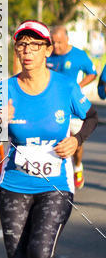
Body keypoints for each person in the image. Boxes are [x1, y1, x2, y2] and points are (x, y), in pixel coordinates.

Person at [0, 20, 98, 258]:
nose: (27, 52)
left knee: (39, 253)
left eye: (35, 45)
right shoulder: (3, 90)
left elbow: (92, 118)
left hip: (56, 184)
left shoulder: (64, 87)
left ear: (48, 50)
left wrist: (76, 140)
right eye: (21, 45)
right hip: (14, 185)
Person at [47, 25, 97, 189]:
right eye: (53, 42)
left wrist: (78, 86)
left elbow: (92, 73)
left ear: (67, 39)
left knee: (76, 142)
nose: (56, 46)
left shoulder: (79, 56)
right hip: (53, 106)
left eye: (59, 42)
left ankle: (78, 167)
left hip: (73, 107)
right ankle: (55, 175)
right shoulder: (48, 55)